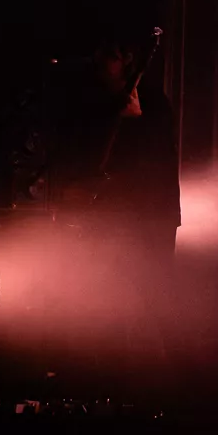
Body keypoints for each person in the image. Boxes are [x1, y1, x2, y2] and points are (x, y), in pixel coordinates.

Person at [48, 26, 182, 401]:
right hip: (114, 219)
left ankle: (182, 385)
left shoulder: (152, 103)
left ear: (127, 61)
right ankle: (110, 384)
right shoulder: (99, 104)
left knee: (156, 298)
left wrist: (136, 122)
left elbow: (155, 164)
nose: (98, 62)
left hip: (148, 219)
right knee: (106, 297)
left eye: (108, 56)